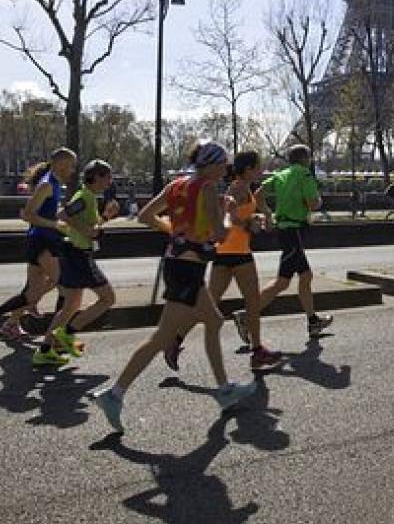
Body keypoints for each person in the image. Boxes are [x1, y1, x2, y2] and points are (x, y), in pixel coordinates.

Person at [93, 141, 257, 432]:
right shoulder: (207, 187)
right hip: (189, 267)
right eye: (222, 164)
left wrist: (176, 232)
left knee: (214, 320)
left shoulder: (176, 184)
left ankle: (224, 389)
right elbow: (219, 235)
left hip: (178, 262)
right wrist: (233, 215)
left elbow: (145, 215)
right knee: (162, 337)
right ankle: (114, 393)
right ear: (209, 164)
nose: (225, 169)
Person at [164, 150, 282, 372]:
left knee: (208, 305)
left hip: (224, 251)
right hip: (237, 251)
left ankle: (175, 342)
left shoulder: (244, 188)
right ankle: (257, 352)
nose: (260, 171)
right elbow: (226, 215)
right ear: (247, 169)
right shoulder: (238, 188)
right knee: (253, 302)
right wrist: (248, 224)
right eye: (257, 167)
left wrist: (256, 217)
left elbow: (235, 215)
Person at [232, 145, 332, 342]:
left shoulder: (280, 175)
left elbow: (258, 194)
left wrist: (269, 213)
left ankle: (313, 321)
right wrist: (318, 201)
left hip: (285, 230)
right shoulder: (304, 175)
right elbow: (313, 204)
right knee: (282, 282)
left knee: (306, 276)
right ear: (306, 159)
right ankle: (245, 316)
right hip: (294, 231)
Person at [33, 160, 120, 366]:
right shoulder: (84, 196)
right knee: (108, 299)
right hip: (79, 255)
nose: (110, 181)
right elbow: (63, 215)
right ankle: (68, 333)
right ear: (96, 177)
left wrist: (106, 218)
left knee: (71, 305)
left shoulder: (89, 197)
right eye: (107, 176)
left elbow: (93, 226)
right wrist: (88, 231)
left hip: (74, 253)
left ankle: (44, 351)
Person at [0, 148, 77, 340]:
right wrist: (55, 224)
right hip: (43, 242)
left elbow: (45, 212)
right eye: (70, 165)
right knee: (67, 289)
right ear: (60, 164)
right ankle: (56, 338)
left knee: (32, 295)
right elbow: (27, 214)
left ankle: (10, 324)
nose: (73, 170)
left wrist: (62, 218)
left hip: (42, 241)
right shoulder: (47, 185)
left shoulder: (55, 184)